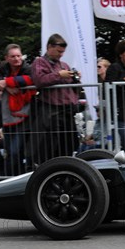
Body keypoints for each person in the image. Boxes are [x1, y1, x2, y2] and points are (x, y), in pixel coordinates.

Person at [30, 33, 81, 165]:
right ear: (49, 47)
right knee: (51, 146)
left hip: (67, 111)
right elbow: (39, 80)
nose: (61, 54)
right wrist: (59, 75)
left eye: (62, 52)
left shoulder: (64, 65)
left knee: (68, 145)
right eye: (58, 51)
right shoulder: (39, 62)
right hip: (51, 111)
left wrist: (75, 78)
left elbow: (72, 85)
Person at [0, 44, 35, 175]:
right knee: (10, 152)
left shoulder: (27, 68)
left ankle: (16, 179)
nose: (16, 59)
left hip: (24, 115)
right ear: (6, 58)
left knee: (16, 151)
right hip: (8, 116)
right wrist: (7, 86)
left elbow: (31, 79)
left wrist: (7, 82)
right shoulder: (3, 67)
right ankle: (10, 180)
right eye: (13, 56)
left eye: (18, 56)